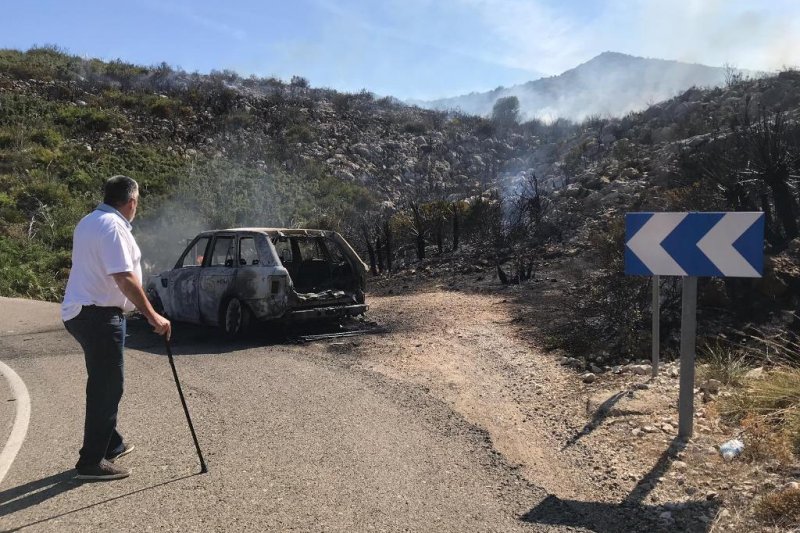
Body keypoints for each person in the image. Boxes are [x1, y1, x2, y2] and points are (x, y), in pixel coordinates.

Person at [62, 175, 171, 481]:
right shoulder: (113, 227)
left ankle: (112, 442)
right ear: (132, 201)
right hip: (99, 316)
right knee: (108, 386)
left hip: (83, 313)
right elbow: (123, 277)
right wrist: (153, 316)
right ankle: (91, 461)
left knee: (103, 380)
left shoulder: (89, 221)